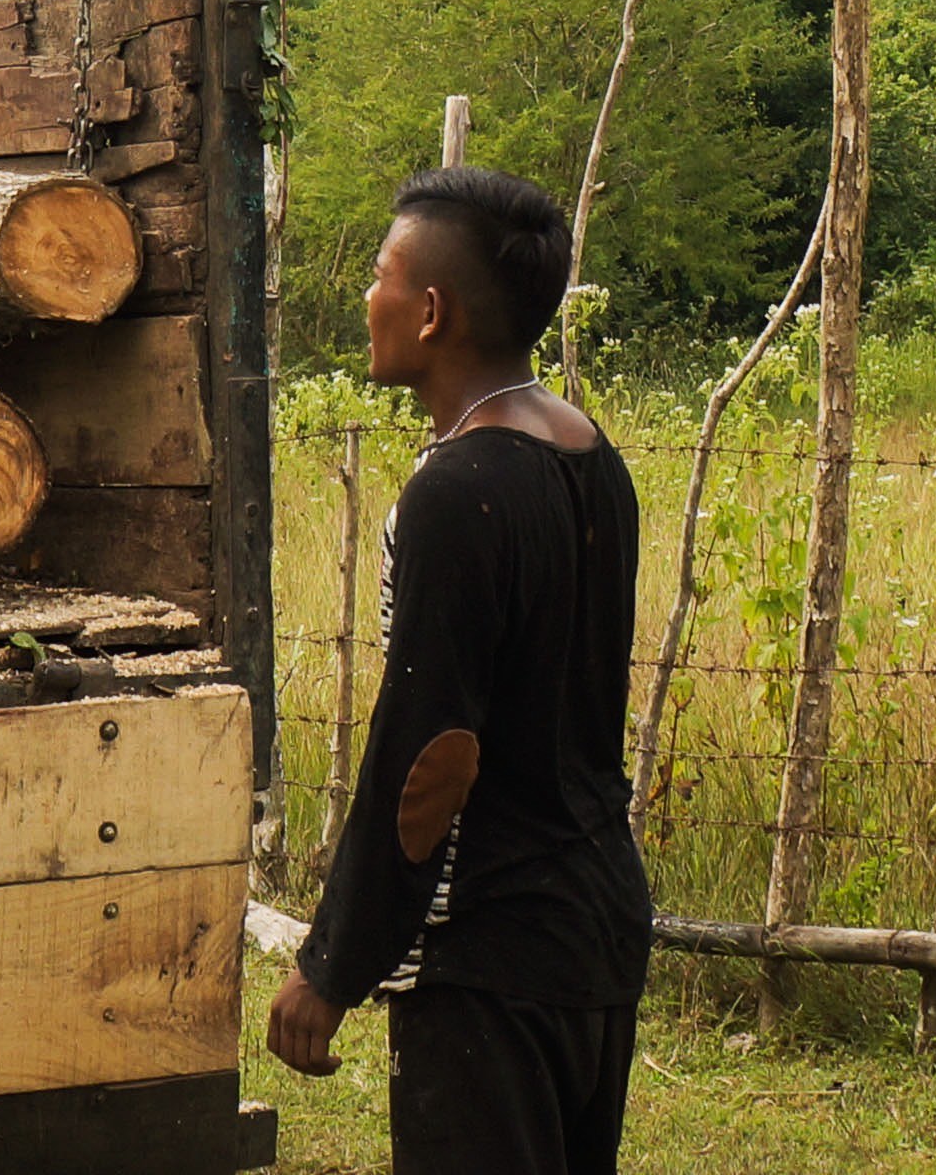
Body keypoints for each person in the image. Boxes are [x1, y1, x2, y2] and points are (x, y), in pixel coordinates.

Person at [265, 167, 653, 1174]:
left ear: (432, 311)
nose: (367, 294)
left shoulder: (457, 491)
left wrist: (333, 963)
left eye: (381, 272)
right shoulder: (591, 455)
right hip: (599, 921)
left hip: (491, 948)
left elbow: (431, 752)